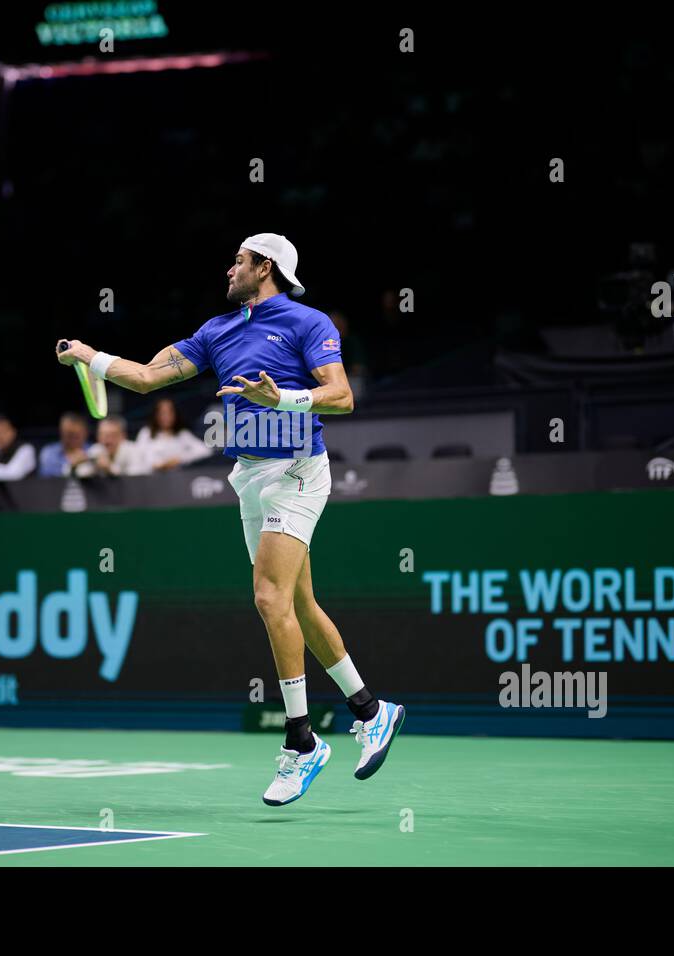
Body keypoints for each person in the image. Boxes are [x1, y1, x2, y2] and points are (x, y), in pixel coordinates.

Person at [56, 232, 404, 806]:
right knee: (296, 605)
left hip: (298, 469)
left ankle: (302, 740)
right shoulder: (215, 332)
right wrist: (90, 356)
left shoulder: (307, 322)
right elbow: (146, 377)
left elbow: (341, 397)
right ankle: (371, 710)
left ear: (265, 267)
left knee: (268, 598)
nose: (229, 268)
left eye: (239, 261)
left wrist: (283, 401)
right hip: (249, 477)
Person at [134, 396, 212, 471]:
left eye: (170, 412)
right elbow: (138, 457)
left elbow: (205, 451)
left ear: (175, 414)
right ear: (156, 415)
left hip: (175, 479)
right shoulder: (146, 433)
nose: (166, 416)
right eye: (162, 412)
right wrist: (158, 465)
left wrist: (180, 459)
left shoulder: (182, 434)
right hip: (149, 479)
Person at [38, 412, 99, 477]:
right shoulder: (49, 452)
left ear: (86, 433)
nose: (72, 440)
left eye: (76, 436)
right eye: (69, 435)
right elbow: (45, 477)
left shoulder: (94, 450)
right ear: (61, 432)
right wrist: (70, 466)